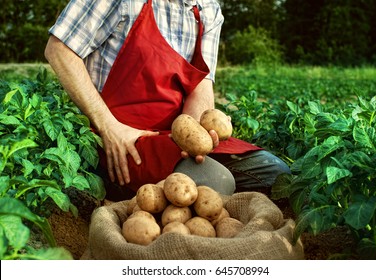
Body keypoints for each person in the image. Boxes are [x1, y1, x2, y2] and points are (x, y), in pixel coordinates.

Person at [44, 0, 290, 201]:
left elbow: (201, 85)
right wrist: (108, 127)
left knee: (276, 174)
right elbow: (59, 49)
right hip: (119, 136)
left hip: (171, 137)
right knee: (217, 182)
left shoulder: (208, 9)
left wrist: (194, 137)